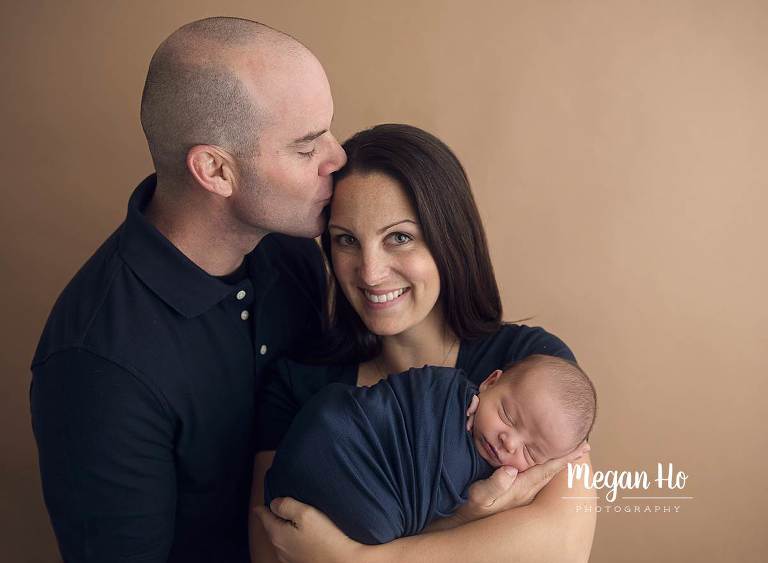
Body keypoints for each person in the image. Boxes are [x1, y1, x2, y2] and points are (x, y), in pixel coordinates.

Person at [30, 17, 346, 563]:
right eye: (306, 146)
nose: (338, 157)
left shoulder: (292, 251)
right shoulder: (97, 365)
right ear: (215, 171)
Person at [251, 124, 597, 562]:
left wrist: (355, 558)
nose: (370, 272)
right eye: (347, 241)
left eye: (399, 237)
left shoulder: (530, 366)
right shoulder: (296, 384)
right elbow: (270, 549)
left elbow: (561, 548)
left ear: (448, 239)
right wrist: (468, 521)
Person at [263, 355, 596, 544]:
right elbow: (412, 397)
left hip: (365, 507)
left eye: (532, 453)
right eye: (507, 416)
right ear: (490, 382)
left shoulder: (498, 482)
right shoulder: (447, 389)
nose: (509, 441)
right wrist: (454, 394)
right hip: (333, 432)